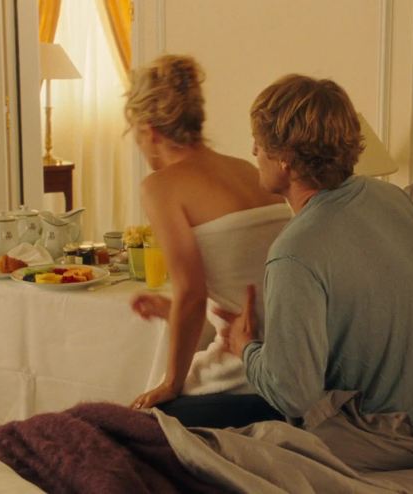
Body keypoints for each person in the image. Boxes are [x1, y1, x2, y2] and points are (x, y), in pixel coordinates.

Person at [215, 74, 413, 469]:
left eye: (258, 143)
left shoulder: (293, 252)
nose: (253, 151)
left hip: (378, 436)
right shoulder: (392, 197)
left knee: (171, 419)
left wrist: (245, 346)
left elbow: (293, 395)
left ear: (285, 159)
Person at [123, 55, 291, 427]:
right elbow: (251, 284)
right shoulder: (247, 170)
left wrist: (171, 384)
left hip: (247, 373)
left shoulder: (160, 187)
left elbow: (193, 294)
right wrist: (173, 309)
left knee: (141, 417)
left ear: (149, 130)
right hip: (293, 362)